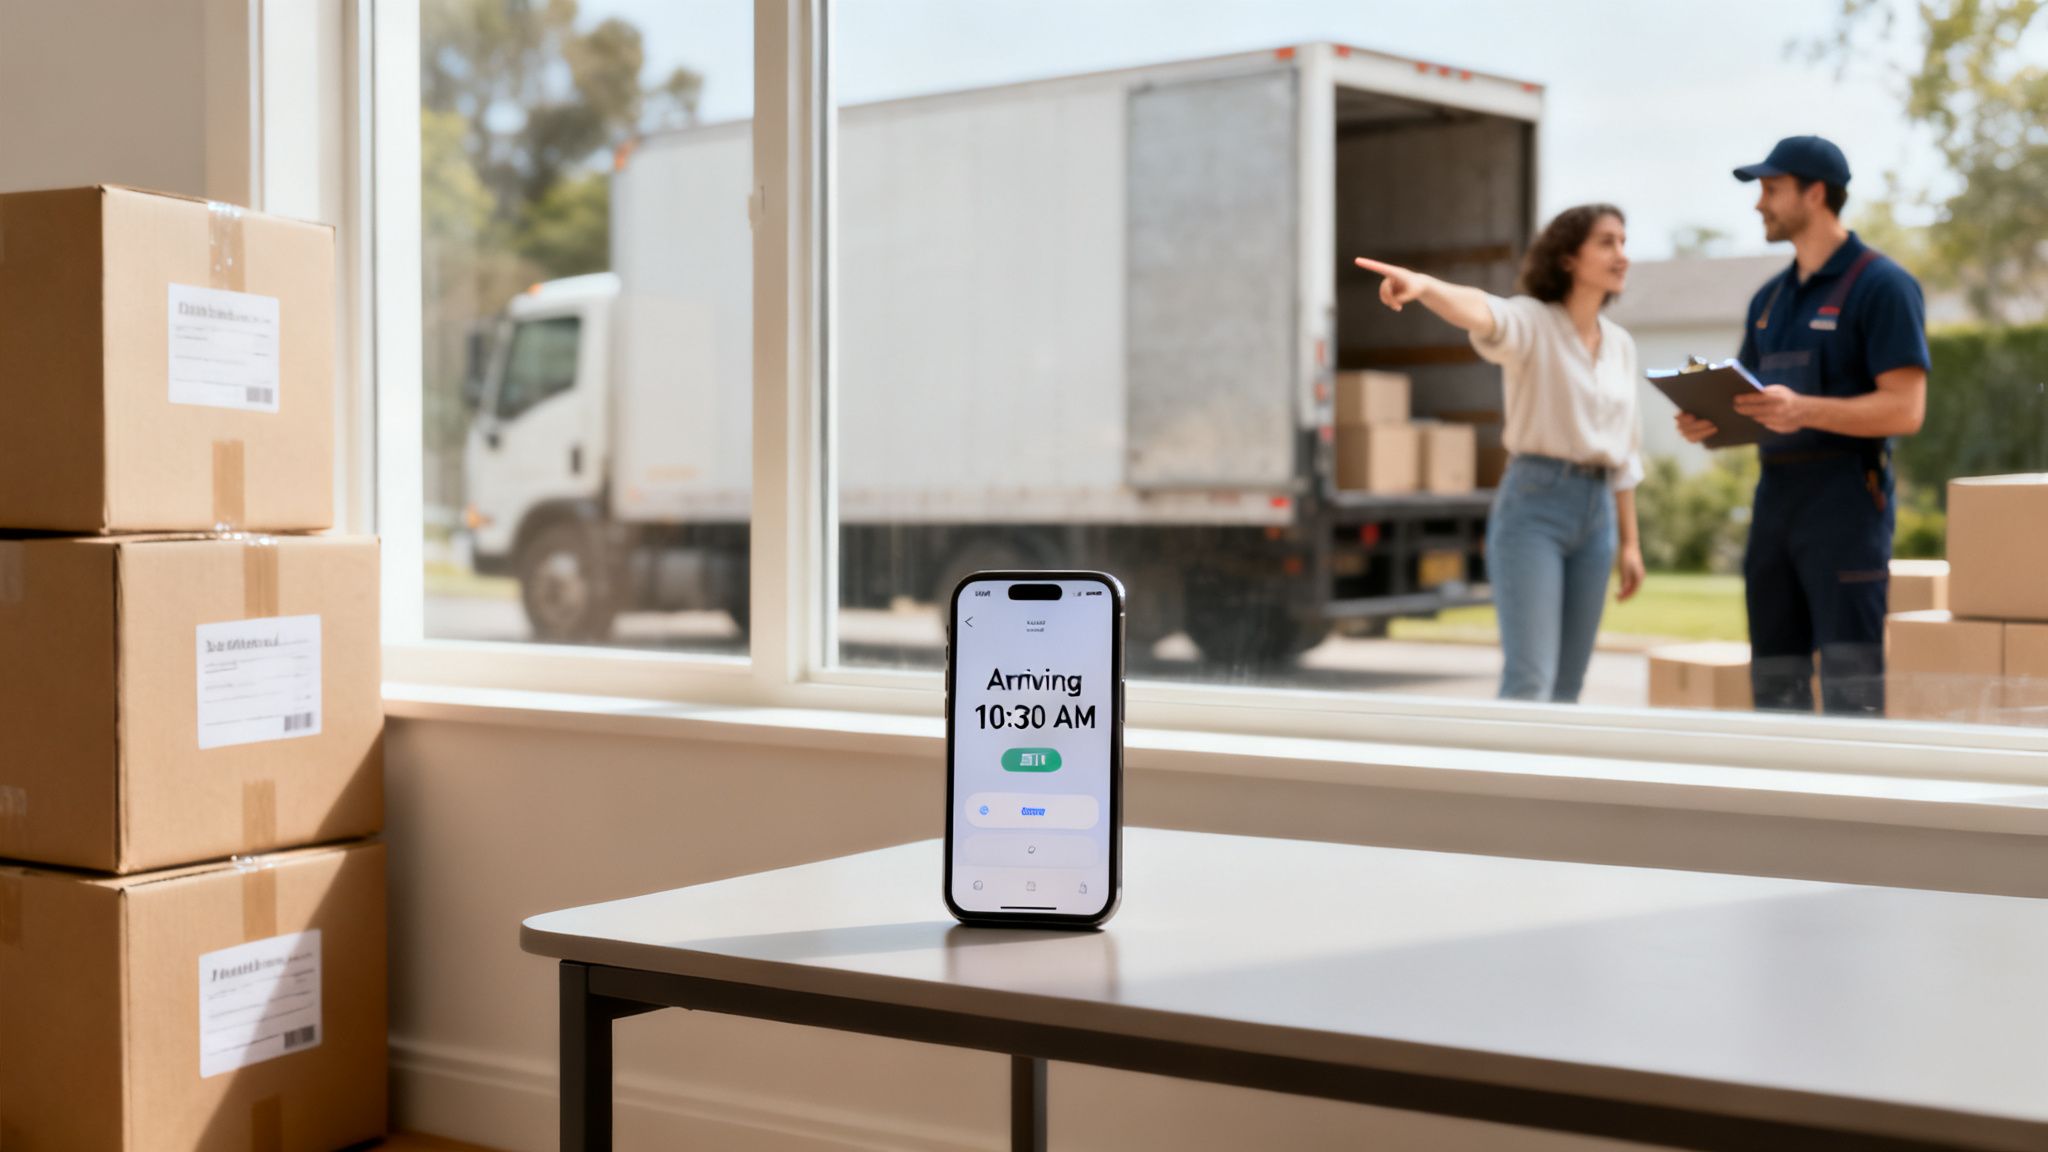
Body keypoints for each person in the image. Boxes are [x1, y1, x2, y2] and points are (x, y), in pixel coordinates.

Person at [1675, 136, 1928, 715]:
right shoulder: (1769, 300)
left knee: (1851, 682)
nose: (1758, 204)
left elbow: (1906, 410)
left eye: (1771, 189)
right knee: (1774, 677)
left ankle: (1856, 803)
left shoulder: (1883, 286)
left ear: (1816, 194)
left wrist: (1804, 409)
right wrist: (1708, 424)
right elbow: (1753, 407)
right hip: (1775, 504)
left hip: (1846, 502)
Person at [1356, 204, 1646, 703]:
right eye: (1606, 242)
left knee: (1569, 686)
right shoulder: (1534, 322)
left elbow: (1625, 453)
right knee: (1529, 681)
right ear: (1568, 259)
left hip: (1597, 515)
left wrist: (1630, 543)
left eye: (1623, 241)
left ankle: (1551, 783)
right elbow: (1482, 309)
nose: (1621, 254)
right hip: (1535, 505)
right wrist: (1424, 287)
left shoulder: (1620, 345)